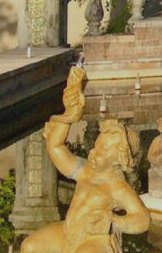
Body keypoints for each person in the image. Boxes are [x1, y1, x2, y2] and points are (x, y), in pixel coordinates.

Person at [21, 64, 149, 253]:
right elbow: (56, 148)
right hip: (68, 231)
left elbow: (143, 220)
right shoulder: (84, 170)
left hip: (94, 239)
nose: (92, 152)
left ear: (118, 159)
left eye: (102, 151)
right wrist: (69, 115)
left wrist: (113, 221)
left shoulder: (117, 188)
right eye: (96, 146)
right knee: (29, 246)